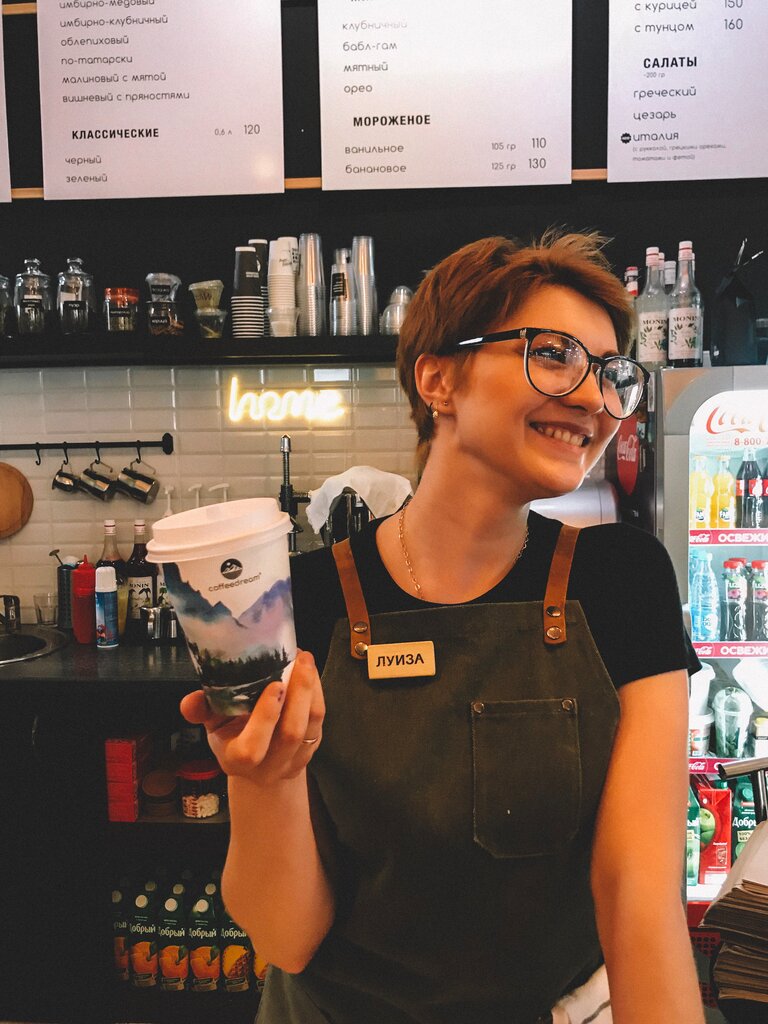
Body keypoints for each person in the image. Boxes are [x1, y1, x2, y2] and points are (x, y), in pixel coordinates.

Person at [181, 231, 706, 1024]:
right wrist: (265, 780)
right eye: (554, 354)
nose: (595, 401)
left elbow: (638, 895)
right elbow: (287, 937)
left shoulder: (622, 581)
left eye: (611, 374)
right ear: (438, 379)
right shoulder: (302, 602)